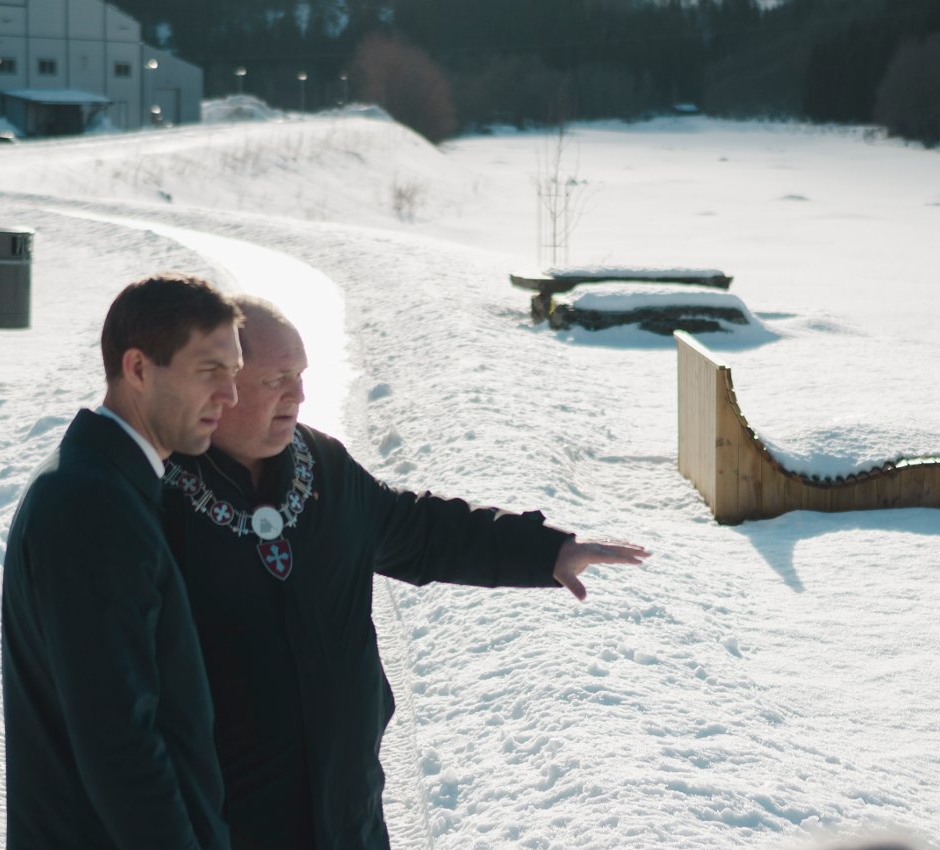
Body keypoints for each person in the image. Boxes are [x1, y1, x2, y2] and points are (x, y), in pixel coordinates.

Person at [162, 296, 648, 850]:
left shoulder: (321, 465)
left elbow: (418, 530)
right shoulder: (148, 501)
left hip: (348, 813)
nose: (298, 396)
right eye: (276, 380)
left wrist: (545, 553)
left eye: (300, 376)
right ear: (215, 385)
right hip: (220, 823)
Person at [3, 273, 244, 850]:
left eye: (234, 372)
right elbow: (120, 743)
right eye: (210, 370)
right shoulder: (93, 506)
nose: (230, 395)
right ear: (137, 368)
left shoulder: (105, 483)